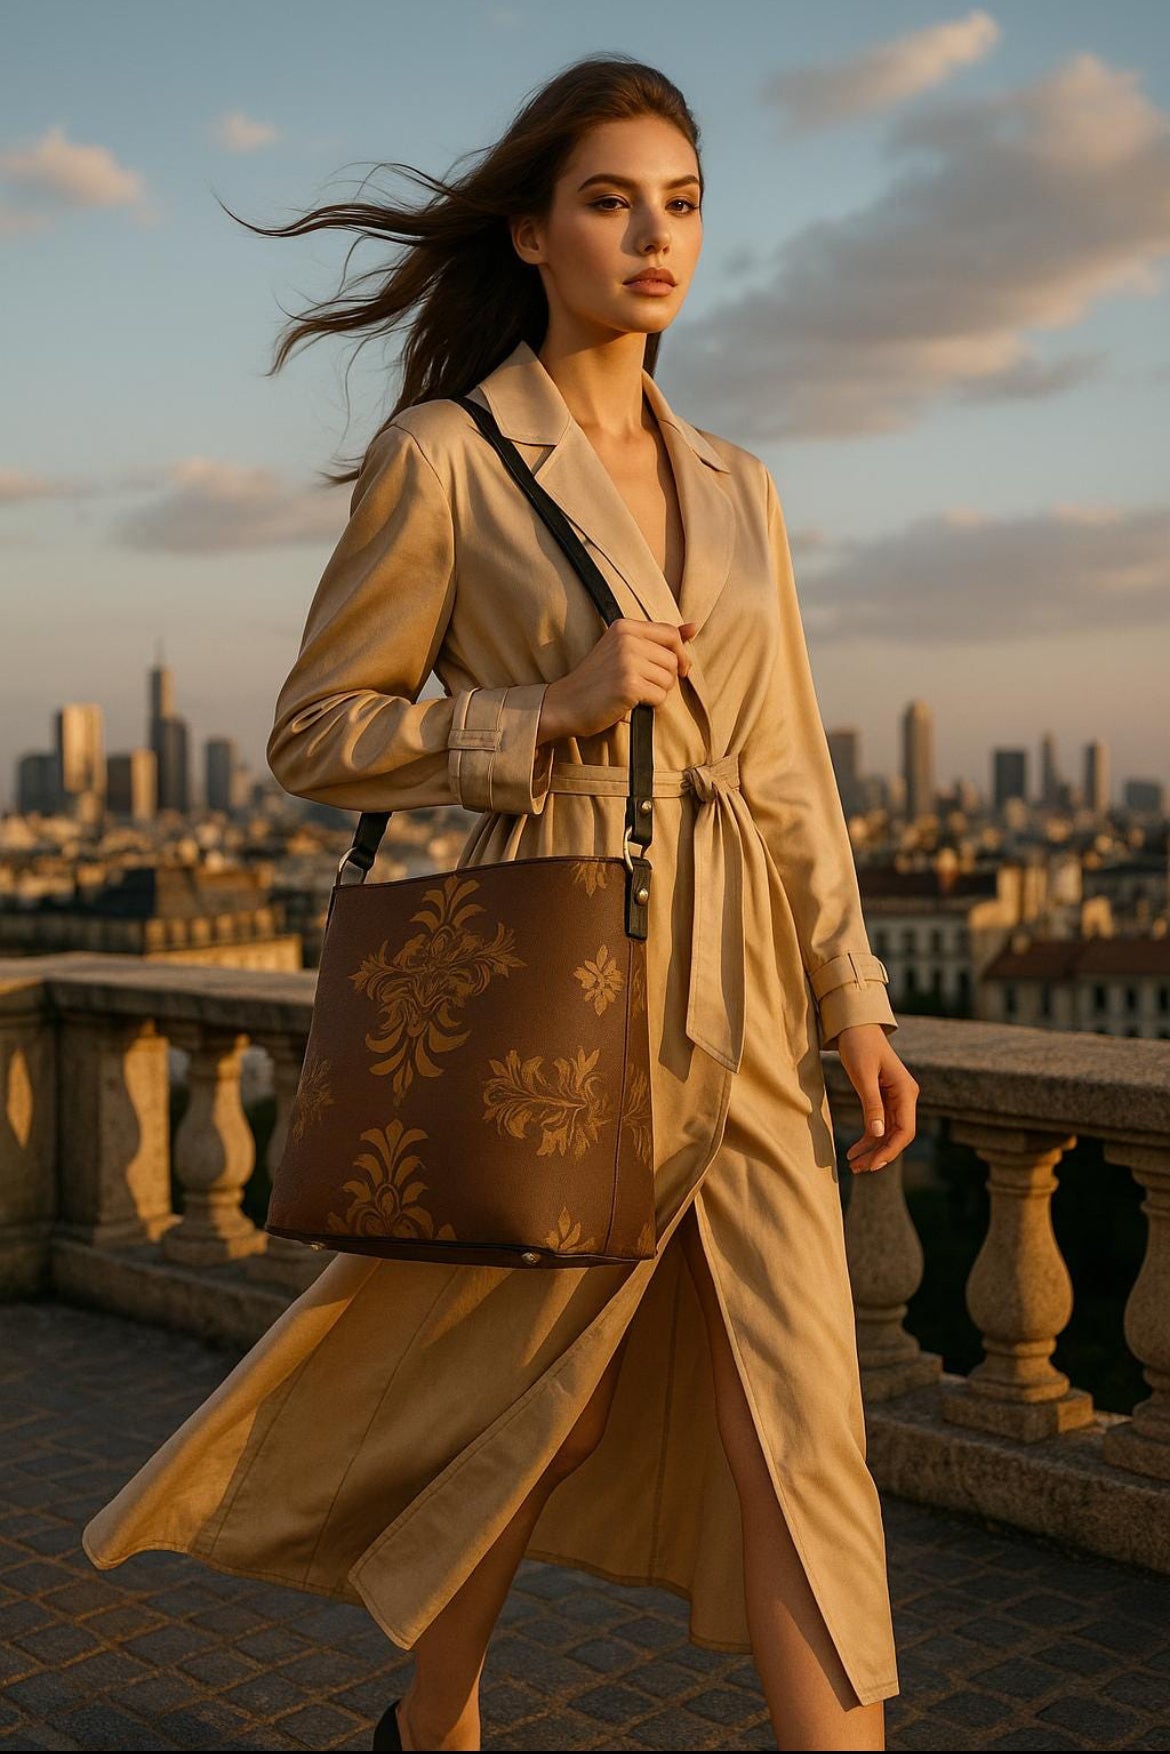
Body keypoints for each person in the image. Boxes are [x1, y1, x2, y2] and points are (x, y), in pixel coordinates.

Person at [84, 52, 919, 1753]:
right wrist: (542, 711)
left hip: (746, 1012)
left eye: (682, 204)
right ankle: (434, 1722)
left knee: (802, 1439)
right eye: (611, 201)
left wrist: (852, 1000)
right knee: (545, 1409)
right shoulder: (447, 457)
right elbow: (317, 730)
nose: (654, 236)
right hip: (567, 1001)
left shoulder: (738, 484)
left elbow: (783, 769)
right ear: (532, 233)